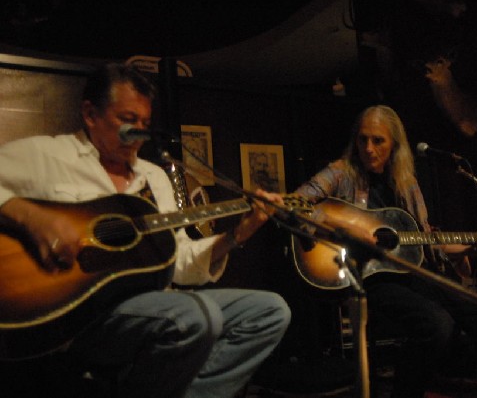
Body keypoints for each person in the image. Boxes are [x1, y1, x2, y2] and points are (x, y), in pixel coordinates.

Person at [0, 63, 291, 398]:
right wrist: (34, 219)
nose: (137, 132)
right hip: (83, 315)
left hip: (158, 305)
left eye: (144, 124)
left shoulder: (154, 177)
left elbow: (180, 262)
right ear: (91, 114)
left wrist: (237, 235)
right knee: (196, 316)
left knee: (270, 312)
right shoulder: (47, 155)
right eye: (127, 120)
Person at [294, 105, 477, 398]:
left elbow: (425, 241)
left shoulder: (406, 183)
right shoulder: (341, 172)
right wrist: (347, 228)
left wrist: (471, 246)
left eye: (378, 141)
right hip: (366, 276)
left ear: (395, 145)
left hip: (409, 272)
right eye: (363, 140)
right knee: (436, 324)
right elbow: (294, 203)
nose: (369, 149)